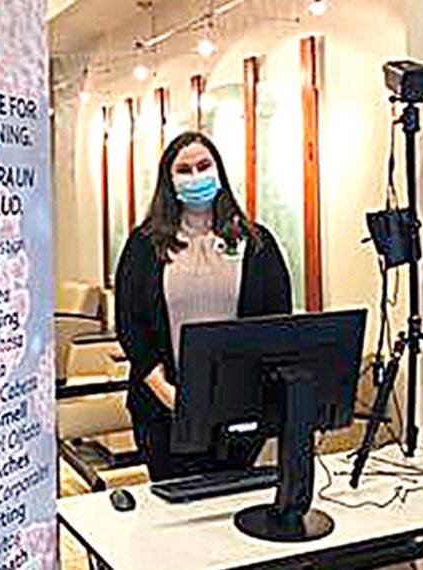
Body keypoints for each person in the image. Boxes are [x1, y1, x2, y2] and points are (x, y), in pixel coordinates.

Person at [114, 131, 292, 481]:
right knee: (176, 503)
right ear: (169, 180)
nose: (195, 176)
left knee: (231, 503)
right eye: (184, 170)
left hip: (239, 412)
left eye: (203, 166)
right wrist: (168, 394)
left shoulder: (256, 243)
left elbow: (276, 322)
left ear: (219, 171)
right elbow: (130, 326)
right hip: (164, 411)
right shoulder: (144, 245)